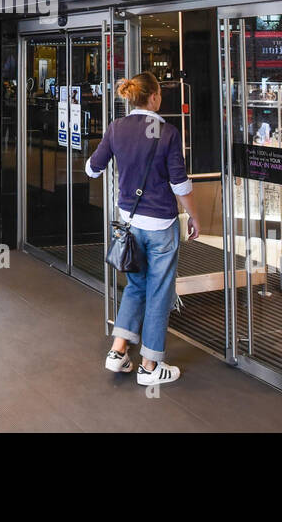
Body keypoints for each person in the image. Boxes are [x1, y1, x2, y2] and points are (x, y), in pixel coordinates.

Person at [86, 71, 200, 386]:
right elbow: (179, 183)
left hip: (129, 224)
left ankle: (118, 351)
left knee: (136, 286)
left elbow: (92, 169)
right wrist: (194, 216)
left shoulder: (116, 128)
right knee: (160, 292)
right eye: (159, 94)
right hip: (161, 225)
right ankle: (150, 367)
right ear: (152, 97)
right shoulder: (168, 132)